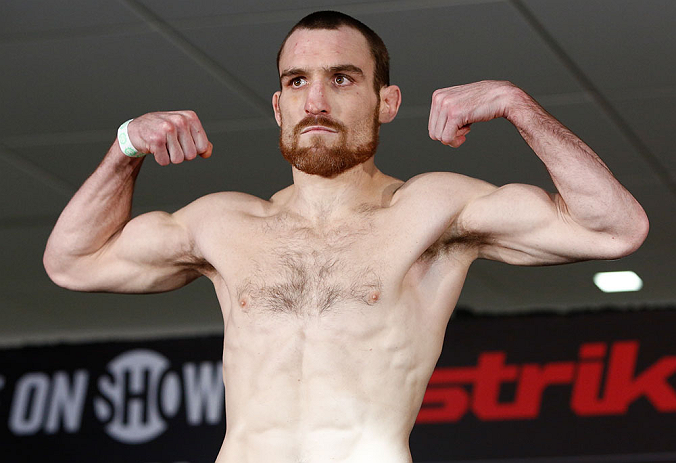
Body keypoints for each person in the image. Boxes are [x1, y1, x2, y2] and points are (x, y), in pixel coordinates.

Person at [43, 10, 648, 463]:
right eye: (298, 81)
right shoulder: (220, 223)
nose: (317, 100)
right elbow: (73, 262)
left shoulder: (433, 210)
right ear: (278, 105)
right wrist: (125, 148)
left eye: (342, 78)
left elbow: (615, 228)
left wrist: (520, 108)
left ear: (387, 102)